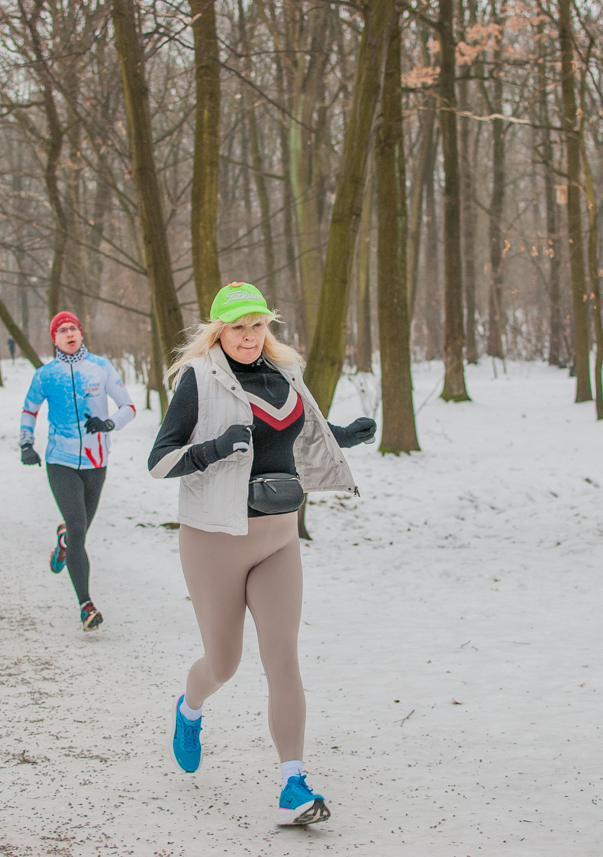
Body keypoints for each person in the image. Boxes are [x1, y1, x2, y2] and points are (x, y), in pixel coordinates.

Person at [148, 282, 376, 826]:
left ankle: (292, 784)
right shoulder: (198, 380)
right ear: (218, 331)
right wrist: (214, 448)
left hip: (277, 536)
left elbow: (298, 435)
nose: (249, 337)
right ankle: (189, 708)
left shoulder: (286, 374)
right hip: (213, 540)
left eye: (257, 326)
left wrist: (343, 435)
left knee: (283, 660)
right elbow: (159, 461)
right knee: (223, 663)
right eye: (238, 327)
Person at [21, 311, 136, 631]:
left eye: (74, 328)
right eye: (62, 330)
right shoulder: (46, 375)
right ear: (54, 338)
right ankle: (86, 605)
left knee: (79, 532)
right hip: (61, 461)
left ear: (81, 333)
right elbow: (29, 410)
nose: (69, 334)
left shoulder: (101, 367)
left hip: (97, 461)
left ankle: (63, 543)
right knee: (76, 525)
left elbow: (129, 406)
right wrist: (26, 444)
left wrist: (108, 423)